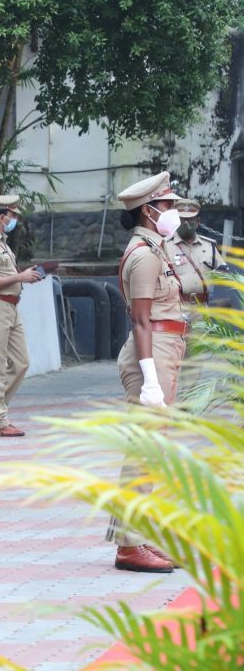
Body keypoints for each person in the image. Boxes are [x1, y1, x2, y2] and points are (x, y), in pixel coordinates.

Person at [109, 171, 187, 574]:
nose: (173, 211)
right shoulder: (143, 254)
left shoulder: (158, 249)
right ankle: (128, 544)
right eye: (168, 205)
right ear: (149, 210)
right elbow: (141, 321)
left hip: (162, 349)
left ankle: (138, 532)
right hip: (150, 352)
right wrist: (150, 378)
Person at [0, 195, 43, 437]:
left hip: (11, 308)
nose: (15, 220)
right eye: (12, 216)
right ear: (2, 217)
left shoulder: (1, 242)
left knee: (21, 362)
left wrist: (25, 276)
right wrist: (20, 278)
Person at [168, 198, 229, 305]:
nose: (186, 223)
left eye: (190, 219)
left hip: (202, 309)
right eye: (182, 219)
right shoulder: (165, 246)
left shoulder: (209, 246)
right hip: (176, 307)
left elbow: (224, 273)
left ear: (197, 222)